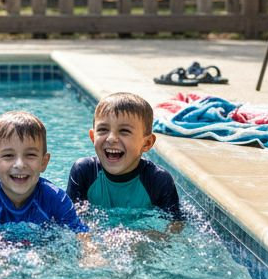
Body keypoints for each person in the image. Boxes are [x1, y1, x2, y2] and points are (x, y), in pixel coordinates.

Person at [0, 111, 88, 240]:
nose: (20, 164)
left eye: (30, 155)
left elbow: (82, 235)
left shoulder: (56, 199)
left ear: (43, 162)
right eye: (8, 155)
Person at [66, 92, 183, 223]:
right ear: (93, 137)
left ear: (146, 143)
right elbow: (71, 219)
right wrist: (90, 236)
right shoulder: (84, 171)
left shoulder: (158, 180)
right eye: (103, 129)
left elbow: (176, 225)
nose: (111, 138)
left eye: (124, 131)